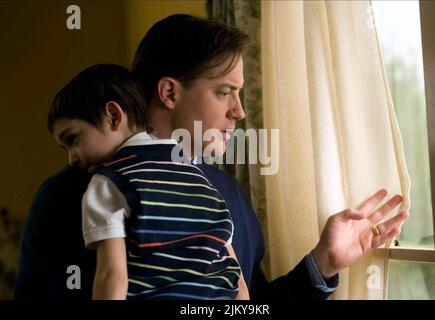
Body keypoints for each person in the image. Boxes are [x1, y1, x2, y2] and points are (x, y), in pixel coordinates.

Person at [14, 14, 409, 300]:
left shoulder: (228, 192)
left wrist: (322, 263)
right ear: (169, 93)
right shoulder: (67, 196)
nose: (240, 111)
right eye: (225, 92)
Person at [46, 63, 249, 300]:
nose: (71, 159)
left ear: (113, 115)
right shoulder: (197, 174)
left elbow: (112, 276)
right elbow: (235, 275)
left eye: (72, 139)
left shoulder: (108, 182)